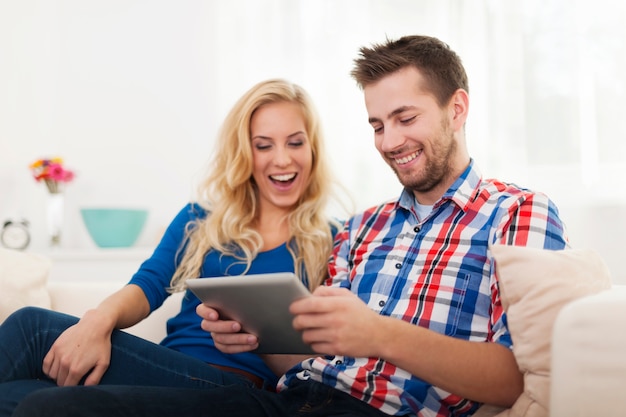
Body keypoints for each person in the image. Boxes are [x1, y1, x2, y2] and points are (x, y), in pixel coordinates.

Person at [12, 35, 569, 417]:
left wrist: (376, 334)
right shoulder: (361, 229)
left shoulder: (518, 212)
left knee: (42, 401)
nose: (390, 141)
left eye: (405, 118)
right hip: (287, 398)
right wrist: (261, 337)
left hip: (341, 408)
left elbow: (510, 377)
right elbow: (309, 361)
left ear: (458, 108)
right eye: (377, 124)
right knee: (39, 396)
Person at [0, 78, 344, 416]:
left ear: (312, 147)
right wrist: (97, 321)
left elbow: (328, 357)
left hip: (238, 391)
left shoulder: (335, 239)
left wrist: (263, 338)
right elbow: (147, 286)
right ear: (244, 152)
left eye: (295, 143)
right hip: (167, 373)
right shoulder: (201, 219)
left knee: (34, 327)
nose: (282, 159)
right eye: (264, 145)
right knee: (20, 397)